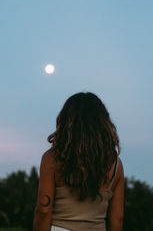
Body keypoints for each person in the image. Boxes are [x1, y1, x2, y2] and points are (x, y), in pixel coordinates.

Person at [33, 92, 124, 231]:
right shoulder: (115, 165)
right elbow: (117, 217)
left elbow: (43, 211)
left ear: (66, 122)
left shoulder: (52, 159)